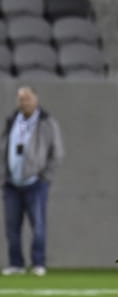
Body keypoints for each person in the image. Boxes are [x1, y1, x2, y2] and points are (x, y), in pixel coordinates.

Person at [1, 86, 64, 277]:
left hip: (35, 183)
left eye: (27, 99)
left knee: (38, 226)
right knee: (12, 227)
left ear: (35, 100)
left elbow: (57, 152)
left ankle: (38, 263)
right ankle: (16, 264)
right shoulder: (12, 120)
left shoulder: (47, 122)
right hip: (12, 183)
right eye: (21, 99)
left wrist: (45, 176)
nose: (24, 103)